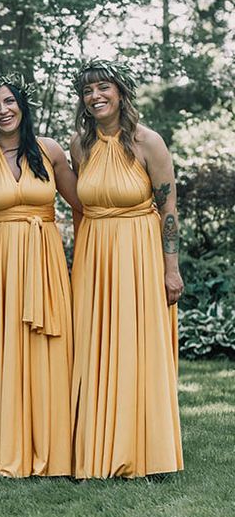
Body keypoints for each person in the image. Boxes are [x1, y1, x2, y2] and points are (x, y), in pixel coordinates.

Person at [0, 75, 81, 477]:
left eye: (9, 102)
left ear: (22, 106)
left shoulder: (51, 152)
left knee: (48, 349)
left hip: (44, 261)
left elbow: (82, 206)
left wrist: (90, 260)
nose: (3, 110)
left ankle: (52, 450)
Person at [69, 59, 183, 479]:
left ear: (121, 92)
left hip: (139, 250)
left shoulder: (147, 142)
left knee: (137, 343)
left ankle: (143, 449)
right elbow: (79, 206)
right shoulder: (80, 146)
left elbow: (168, 207)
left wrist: (171, 269)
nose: (95, 97)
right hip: (94, 252)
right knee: (94, 344)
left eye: (103, 88)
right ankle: (94, 446)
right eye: (88, 91)